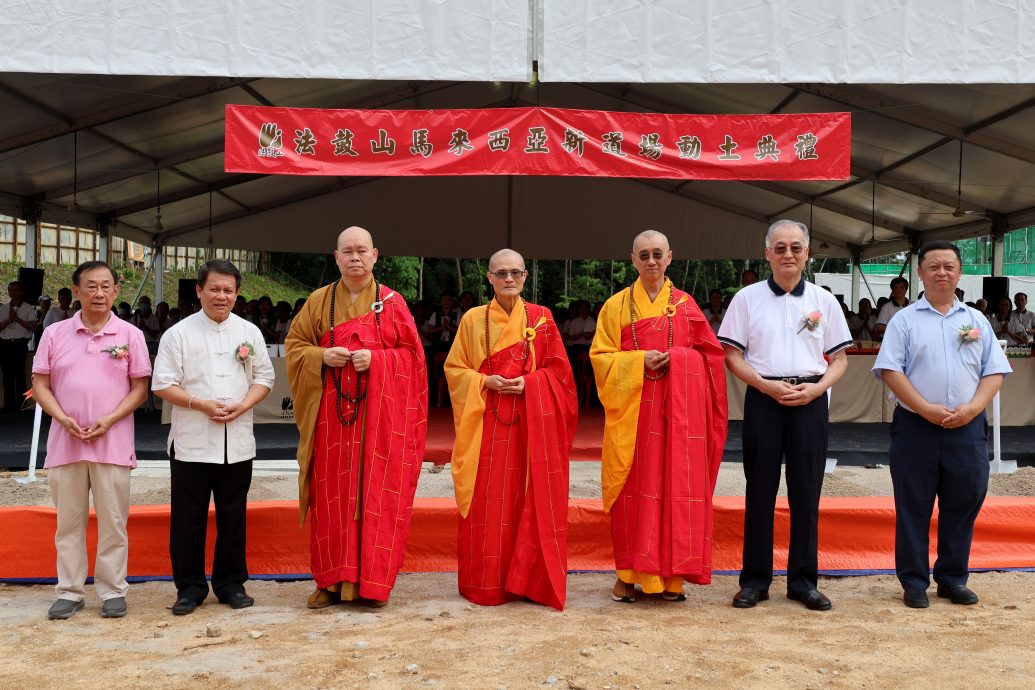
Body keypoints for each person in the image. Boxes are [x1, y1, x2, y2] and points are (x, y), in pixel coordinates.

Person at [285, 226, 428, 609]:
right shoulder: (318, 301)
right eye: (346, 251)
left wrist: (378, 360)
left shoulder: (392, 302)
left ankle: (372, 584)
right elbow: (295, 347)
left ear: (375, 255)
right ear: (335, 257)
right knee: (332, 498)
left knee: (374, 494)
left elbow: (414, 360)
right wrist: (320, 356)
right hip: (332, 418)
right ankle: (331, 581)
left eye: (361, 250)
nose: (354, 257)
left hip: (379, 422)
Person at [718, 219, 852, 611]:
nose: (788, 254)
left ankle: (803, 582)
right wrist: (765, 386)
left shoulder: (825, 300)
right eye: (780, 248)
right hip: (764, 398)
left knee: (806, 493)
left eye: (796, 247)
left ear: (807, 253)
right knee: (759, 490)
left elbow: (840, 359)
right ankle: (755, 581)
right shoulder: (747, 298)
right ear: (767, 254)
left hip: (810, 400)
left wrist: (818, 388)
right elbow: (732, 355)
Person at [590, 230, 729, 604]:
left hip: (676, 418)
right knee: (633, 493)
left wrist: (682, 360)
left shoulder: (685, 305)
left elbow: (711, 357)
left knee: (673, 490)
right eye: (644, 255)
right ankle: (627, 575)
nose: (651, 261)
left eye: (657, 254)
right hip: (633, 413)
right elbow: (600, 359)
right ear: (632, 259)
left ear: (670, 258)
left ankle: (671, 577)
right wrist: (638, 361)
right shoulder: (615, 306)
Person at [873, 241, 1011, 608]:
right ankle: (914, 581)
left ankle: (952, 578)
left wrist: (973, 409)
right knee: (913, 504)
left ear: (960, 272)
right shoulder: (904, 320)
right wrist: (925, 408)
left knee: (964, 501)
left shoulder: (975, 320)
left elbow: (994, 371)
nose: (941, 272)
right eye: (933, 266)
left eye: (949, 266)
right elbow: (890, 370)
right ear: (920, 273)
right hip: (916, 426)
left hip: (966, 427)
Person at [444, 249, 578, 610]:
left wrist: (531, 384)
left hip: (530, 425)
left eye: (515, 273)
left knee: (527, 497)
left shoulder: (542, 318)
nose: (508, 279)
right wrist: (486, 380)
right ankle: (487, 583)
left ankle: (528, 579)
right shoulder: (473, 320)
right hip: (487, 421)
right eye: (501, 273)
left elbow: (561, 375)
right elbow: (455, 370)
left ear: (524, 278)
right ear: (489, 278)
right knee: (490, 502)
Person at [152, 260, 274, 616]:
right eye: (215, 289)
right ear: (199, 291)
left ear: (237, 293)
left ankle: (230, 584)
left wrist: (243, 405)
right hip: (192, 441)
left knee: (233, 515)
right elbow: (162, 384)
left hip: (236, 440)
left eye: (228, 290)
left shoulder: (249, 332)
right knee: (188, 518)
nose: (222, 296)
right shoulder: (179, 334)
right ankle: (189, 588)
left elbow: (264, 378)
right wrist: (199, 404)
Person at [30, 261, 150, 619]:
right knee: (68, 521)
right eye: (91, 286)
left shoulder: (131, 335)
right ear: (77, 291)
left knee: (113, 521)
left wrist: (110, 419)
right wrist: (62, 417)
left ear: (116, 291)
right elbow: (40, 384)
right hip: (65, 443)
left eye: (105, 286)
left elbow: (140, 389)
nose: (98, 293)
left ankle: (112, 589)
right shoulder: (54, 334)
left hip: (111, 443)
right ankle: (69, 590)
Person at [1, 281, 38, 413]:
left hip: (19, 344)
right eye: (11, 290)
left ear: (21, 292)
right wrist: (9, 319)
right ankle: (8, 405)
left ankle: (21, 405)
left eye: (16, 290)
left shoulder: (28, 308)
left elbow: (34, 327)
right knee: (7, 375)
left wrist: (17, 319)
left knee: (20, 375)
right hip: (4, 344)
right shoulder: (3, 308)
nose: (13, 293)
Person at [563, 299, 596, 371]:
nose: (583, 310)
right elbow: (571, 336)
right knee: (576, 368)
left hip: (589, 348)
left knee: (588, 369)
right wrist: (581, 334)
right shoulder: (574, 321)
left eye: (585, 307)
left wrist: (589, 334)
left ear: (588, 309)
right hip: (577, 348)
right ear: (579, 309)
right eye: (581, 308)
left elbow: (589, 336)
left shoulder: (592, 321)